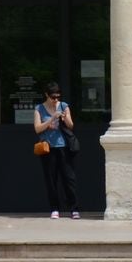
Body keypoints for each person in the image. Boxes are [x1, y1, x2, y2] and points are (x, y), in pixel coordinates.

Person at [34, 82, 79, 219]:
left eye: (58, 97)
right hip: (48, 148)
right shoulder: (39, 109)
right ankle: (54, 208)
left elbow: (71, 126)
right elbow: (37, 129)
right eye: (53, 97)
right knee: (51, 179)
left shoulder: (64, 106)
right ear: (46, 95)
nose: (56, 100)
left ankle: (74, 209)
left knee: (69, 179)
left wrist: (65, 118)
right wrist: (51, 120)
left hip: (64, 147)